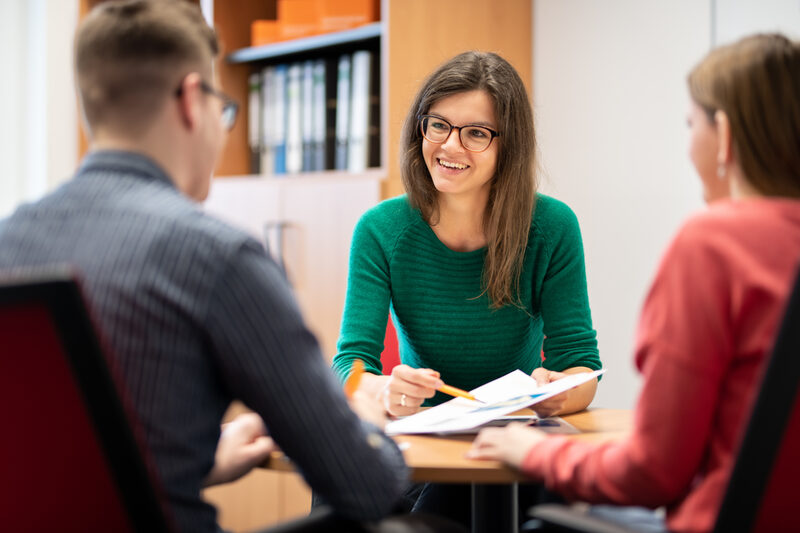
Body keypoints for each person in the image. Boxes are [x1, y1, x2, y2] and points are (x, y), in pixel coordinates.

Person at [0, 1, 409, 531]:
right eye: (223, 108)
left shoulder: (9, 242)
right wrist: (373, 425)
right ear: (193, 101)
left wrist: (198, 462)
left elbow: (53, 459)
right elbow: (365, 485)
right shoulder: (217, 258)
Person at [468, 33, 800, 533]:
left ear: (725, 135)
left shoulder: (714, 245)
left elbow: (652, 473)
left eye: (692, 125)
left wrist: (539, 452)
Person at [330, 51, 602, 525]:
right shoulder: (380, 229)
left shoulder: (552, 227)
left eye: (476, 133)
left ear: (508, 147)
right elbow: (348, 367)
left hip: (512, 449)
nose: (450, 146)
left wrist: (558, 393)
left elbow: (583, 369)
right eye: (438, 125)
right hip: (422, 446)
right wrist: (382, 391)